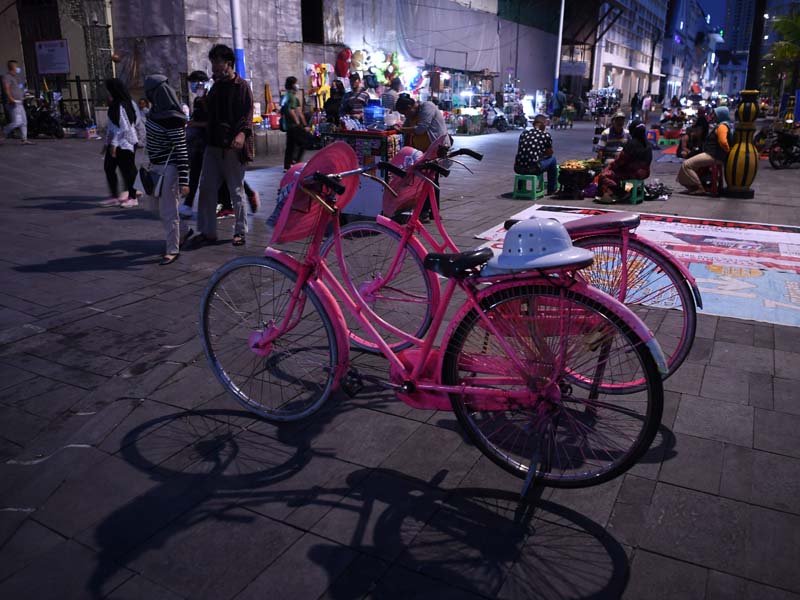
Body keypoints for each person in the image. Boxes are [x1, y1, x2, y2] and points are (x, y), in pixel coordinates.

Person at [193, 44, 256, 248]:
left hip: (232, 146)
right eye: (213, 65)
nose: (214, 69)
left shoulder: (242, 86)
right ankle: (208, 231)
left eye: (218, 64)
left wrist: (241, 135)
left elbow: (247, 116)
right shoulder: (216, 87)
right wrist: (202, 103)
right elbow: (210, 115)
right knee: (207, 188)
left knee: (235, 190)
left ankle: (240, 231)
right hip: (213, 144)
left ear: (229, 63)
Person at [143, 75, 191, 265]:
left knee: (168, 210)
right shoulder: (155, 112)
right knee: (154, 207)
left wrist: (185, 181)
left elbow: (181, 150)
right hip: (155, 167)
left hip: (169, 169)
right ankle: (185, 231)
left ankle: (172, 249)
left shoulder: (172, 118)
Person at [394, 94, 450, 220]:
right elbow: (407, 126)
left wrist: (402, 129)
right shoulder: (411, 116)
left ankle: (427, 212)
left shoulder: (427, 107)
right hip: (423, 152)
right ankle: (431, 212)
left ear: (410, 107)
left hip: (436, 149)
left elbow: (421, 129)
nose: (405, 116)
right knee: (428, 180)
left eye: (405, 112)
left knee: (429, 180)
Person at [101, 78, 142, 207]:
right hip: (117, 142)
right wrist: (107, 143)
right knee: (109, 167)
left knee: (127, 170)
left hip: (126, 143)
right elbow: (112, 126)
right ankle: (114, 196)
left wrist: (113, 143)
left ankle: (133, 197)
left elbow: (124, 127)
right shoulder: (118, 104)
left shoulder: (122, 105)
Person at [677, 106, 733, 195]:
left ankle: (699, 187)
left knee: (686, 165)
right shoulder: (724, 125)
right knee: (692, 166)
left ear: (720, 115)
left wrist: (727, 151)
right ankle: (693, 187)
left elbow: (723, 141)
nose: (713, 116)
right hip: (713, 154)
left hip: (713, 155)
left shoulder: (722, 126)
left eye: (715, 114)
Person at [596, 119, 652, 204]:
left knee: (604, 176)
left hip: (631, 173)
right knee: (621, 174)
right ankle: (629, 190)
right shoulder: (648, 145)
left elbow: (620, 162)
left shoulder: (631, 144)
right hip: (644, 173)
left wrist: (609, 167)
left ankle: (620, 193)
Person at [513, 114, 559, 195]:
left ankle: (520, 187)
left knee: (525, 158)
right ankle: (552, 189)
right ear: (543, 124)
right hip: (534, 168)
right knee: (553, 160)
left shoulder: (524, 134)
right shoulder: (545, 135)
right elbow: (550, 152)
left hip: (518, 168)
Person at [281, 75, 311, 171]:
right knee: (304, 142)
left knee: (290, 145)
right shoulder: (292, 98)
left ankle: (287, 165)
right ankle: (296, 162)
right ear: (293, 85)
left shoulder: (285, 96)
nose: (297, 85)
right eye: (296, 83)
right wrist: (300, 123)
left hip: (287, 125)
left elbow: (299, 112)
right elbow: (293, 111)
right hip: (293, 125)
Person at [1, 59, 33, 145]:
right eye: (16, 66)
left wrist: (25, 95)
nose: (17, 68)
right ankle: (3, 132)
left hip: (19, 102)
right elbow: (6, 88)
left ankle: (24, 139)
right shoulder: (7, 77)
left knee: (24, 121)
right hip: (13, 102)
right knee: (17, 122)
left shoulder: (16, 77)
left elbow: (20, 88)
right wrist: (10, 98)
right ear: (12, 67)